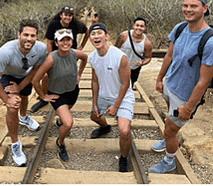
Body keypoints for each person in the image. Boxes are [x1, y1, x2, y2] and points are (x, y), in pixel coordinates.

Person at [150, 0, 213, 174]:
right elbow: (169, 55)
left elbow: (203, 82)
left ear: (205, 9)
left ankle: (169, 160)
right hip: (170, 85)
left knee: (170, 129)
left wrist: (188, 108)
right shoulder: (181, 28)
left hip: (184, 96)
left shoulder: (212, 44)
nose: (188, 9)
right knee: (169, 120)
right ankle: (169, 137)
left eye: (193, 6)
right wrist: (160, 78)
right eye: (185, 6)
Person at [0, 19, 47, 166]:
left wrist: (20, 87)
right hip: (7, 74)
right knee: (13, 105)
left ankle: (24, 117)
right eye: (25, 34)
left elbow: (35, 69)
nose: (29, 39)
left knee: (24, 95)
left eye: (32, 36)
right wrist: (7, 99)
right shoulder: (5, 52)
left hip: (25, 73)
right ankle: (15, 144)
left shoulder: (41, 49)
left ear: (37, 37)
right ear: (18, 34)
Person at [32, 28, 87, 162]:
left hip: (73, 91)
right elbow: (35, 80)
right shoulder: (52, 59)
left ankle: (60, 120)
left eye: (68, 39)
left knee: (64, 117)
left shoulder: (74, 54)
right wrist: (44, 96)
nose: (65, 42)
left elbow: (85, 58)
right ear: (56, 43)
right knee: (68, 123)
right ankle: (60, 143)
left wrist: (79, 74)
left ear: (72, 41)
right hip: (57, 95)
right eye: (62, 40)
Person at [87, 22, 135, 173]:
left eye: (99, 33)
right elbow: (94, 80)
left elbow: (126, 83)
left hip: (123, 96)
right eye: (93, 34)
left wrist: (115, 106)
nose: (96, 36)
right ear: (90, 39)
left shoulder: (120, 57)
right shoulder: (92, 57)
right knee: (94, 116)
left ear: (106, 36)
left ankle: (123, 157)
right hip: (103, 95)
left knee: (124, 131)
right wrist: (94, 103)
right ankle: (105, 127)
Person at [31, 6, 89, 112]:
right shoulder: (54, 24)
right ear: (61, 15)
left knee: (68, 73)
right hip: (55, 54)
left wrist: (81, 46)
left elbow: (87, 31)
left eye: (70, 15)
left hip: (70, 54)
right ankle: (44, 98)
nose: (68, 17)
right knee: (45, 76)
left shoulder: (75, 24)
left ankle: (65, 94)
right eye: (65, 14)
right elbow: (49, 41)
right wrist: (49, 55)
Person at [115, 17, 153, 87]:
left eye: (141, 26)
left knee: (129, 86)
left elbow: (148, 57)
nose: (139, 28)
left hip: (134, 68)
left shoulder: (147, 43)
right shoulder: (124, 36)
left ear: (145, 28)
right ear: (133, 26)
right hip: (120, 66)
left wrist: (142, 63)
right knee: (117, 85)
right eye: (137, 25)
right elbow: (115, 49)